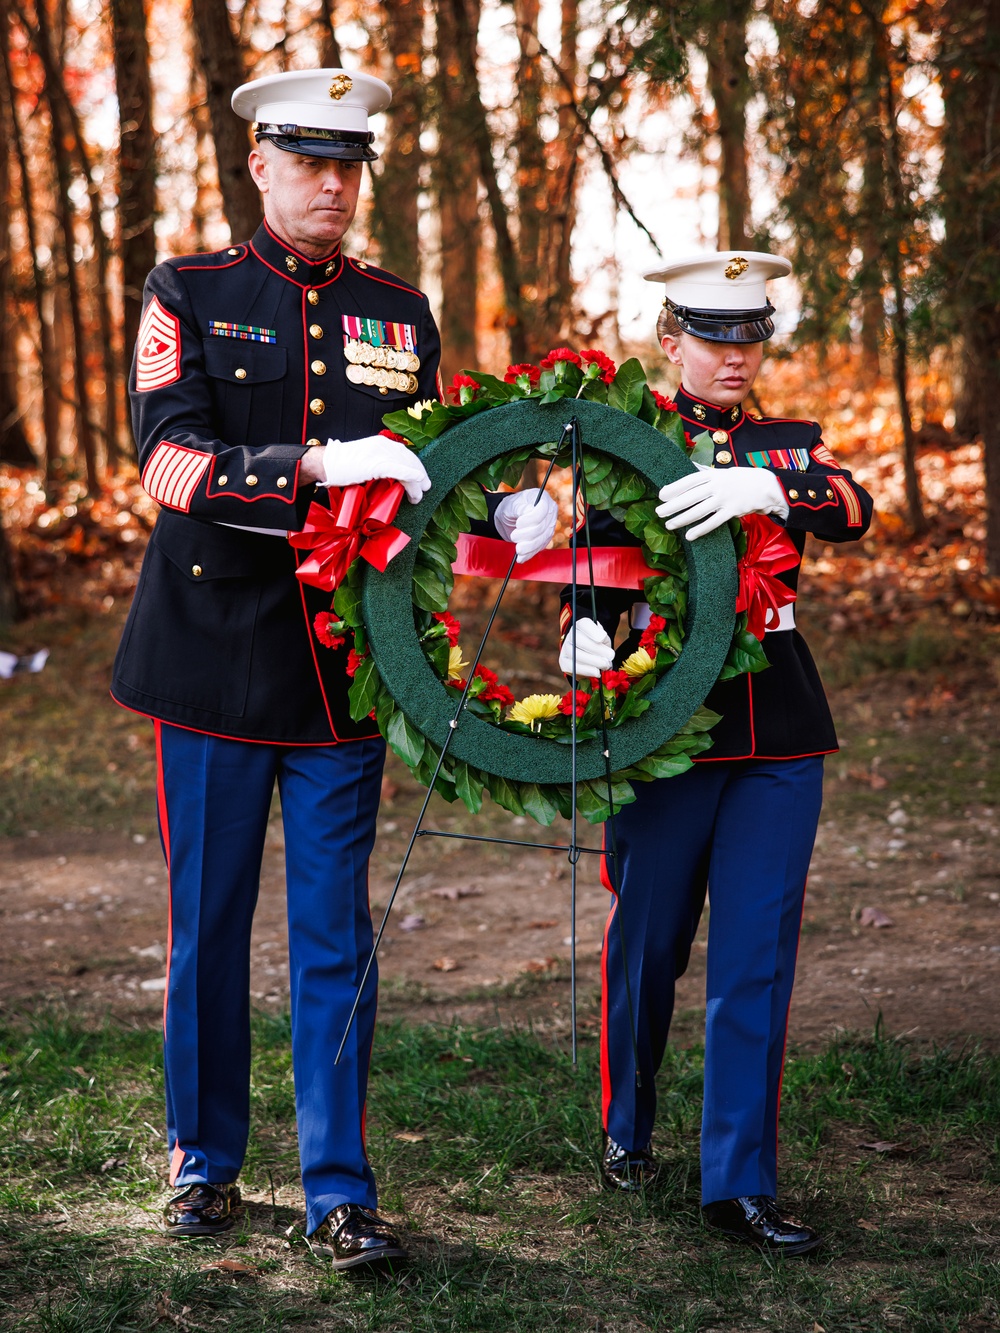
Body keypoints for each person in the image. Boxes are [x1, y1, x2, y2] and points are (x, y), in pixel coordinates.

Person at [111, 68, 556, 1269]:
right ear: (259, 164)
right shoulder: (190, 291)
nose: (331, 185)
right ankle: (202, 1163)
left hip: (339, 673)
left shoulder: (399, 309)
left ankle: (338, 1188)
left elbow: (429, 460)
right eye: (309, 161)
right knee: (207, 926)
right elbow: (169, 465)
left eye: (348, 165)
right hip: (206, 666)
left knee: (334, 937)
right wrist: (312, 464)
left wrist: (509, 498)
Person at [558, 251, 872, 1255]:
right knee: (646, 943)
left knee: (754, 956)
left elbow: (852, 507)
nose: (734, 355)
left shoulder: (784, 445)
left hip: (776, 726)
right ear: (669, 340)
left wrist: (763, 492)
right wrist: (582, 629)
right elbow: (593, 560)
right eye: (712, 334)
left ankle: (739, 1181)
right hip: (662, 732)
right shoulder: (626, 438)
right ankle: (624, 1132)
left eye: (750, 336)